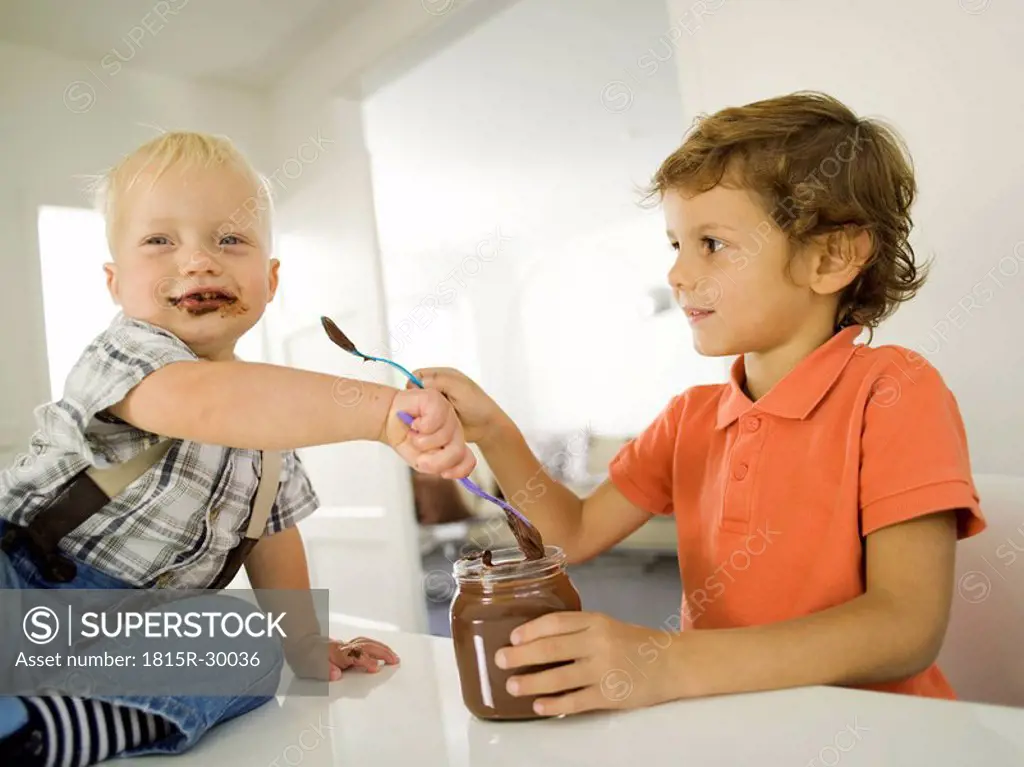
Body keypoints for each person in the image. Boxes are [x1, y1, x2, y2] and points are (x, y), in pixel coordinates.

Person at [410, 92, 987, 717]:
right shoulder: (690, 418)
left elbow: (905, 627)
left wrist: (667, 660)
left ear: (831, 257)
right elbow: (571, 533)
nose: (678, 274)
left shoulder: (894, 391)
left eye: (711, 243)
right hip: (729, 727)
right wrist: (493, 429)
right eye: (675, 245)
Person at [0, 131, 475, 764]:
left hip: (129, 638)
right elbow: (202, 401)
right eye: (159, 240)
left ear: (270, 279)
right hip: (22, 585)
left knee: (251, 641)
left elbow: (273, 536)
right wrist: (380, 409)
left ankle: (42, 730)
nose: (198, 261)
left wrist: (304, 641)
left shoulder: (269, 436)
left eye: (230, 239)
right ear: (115, 283)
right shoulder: (128, 354)